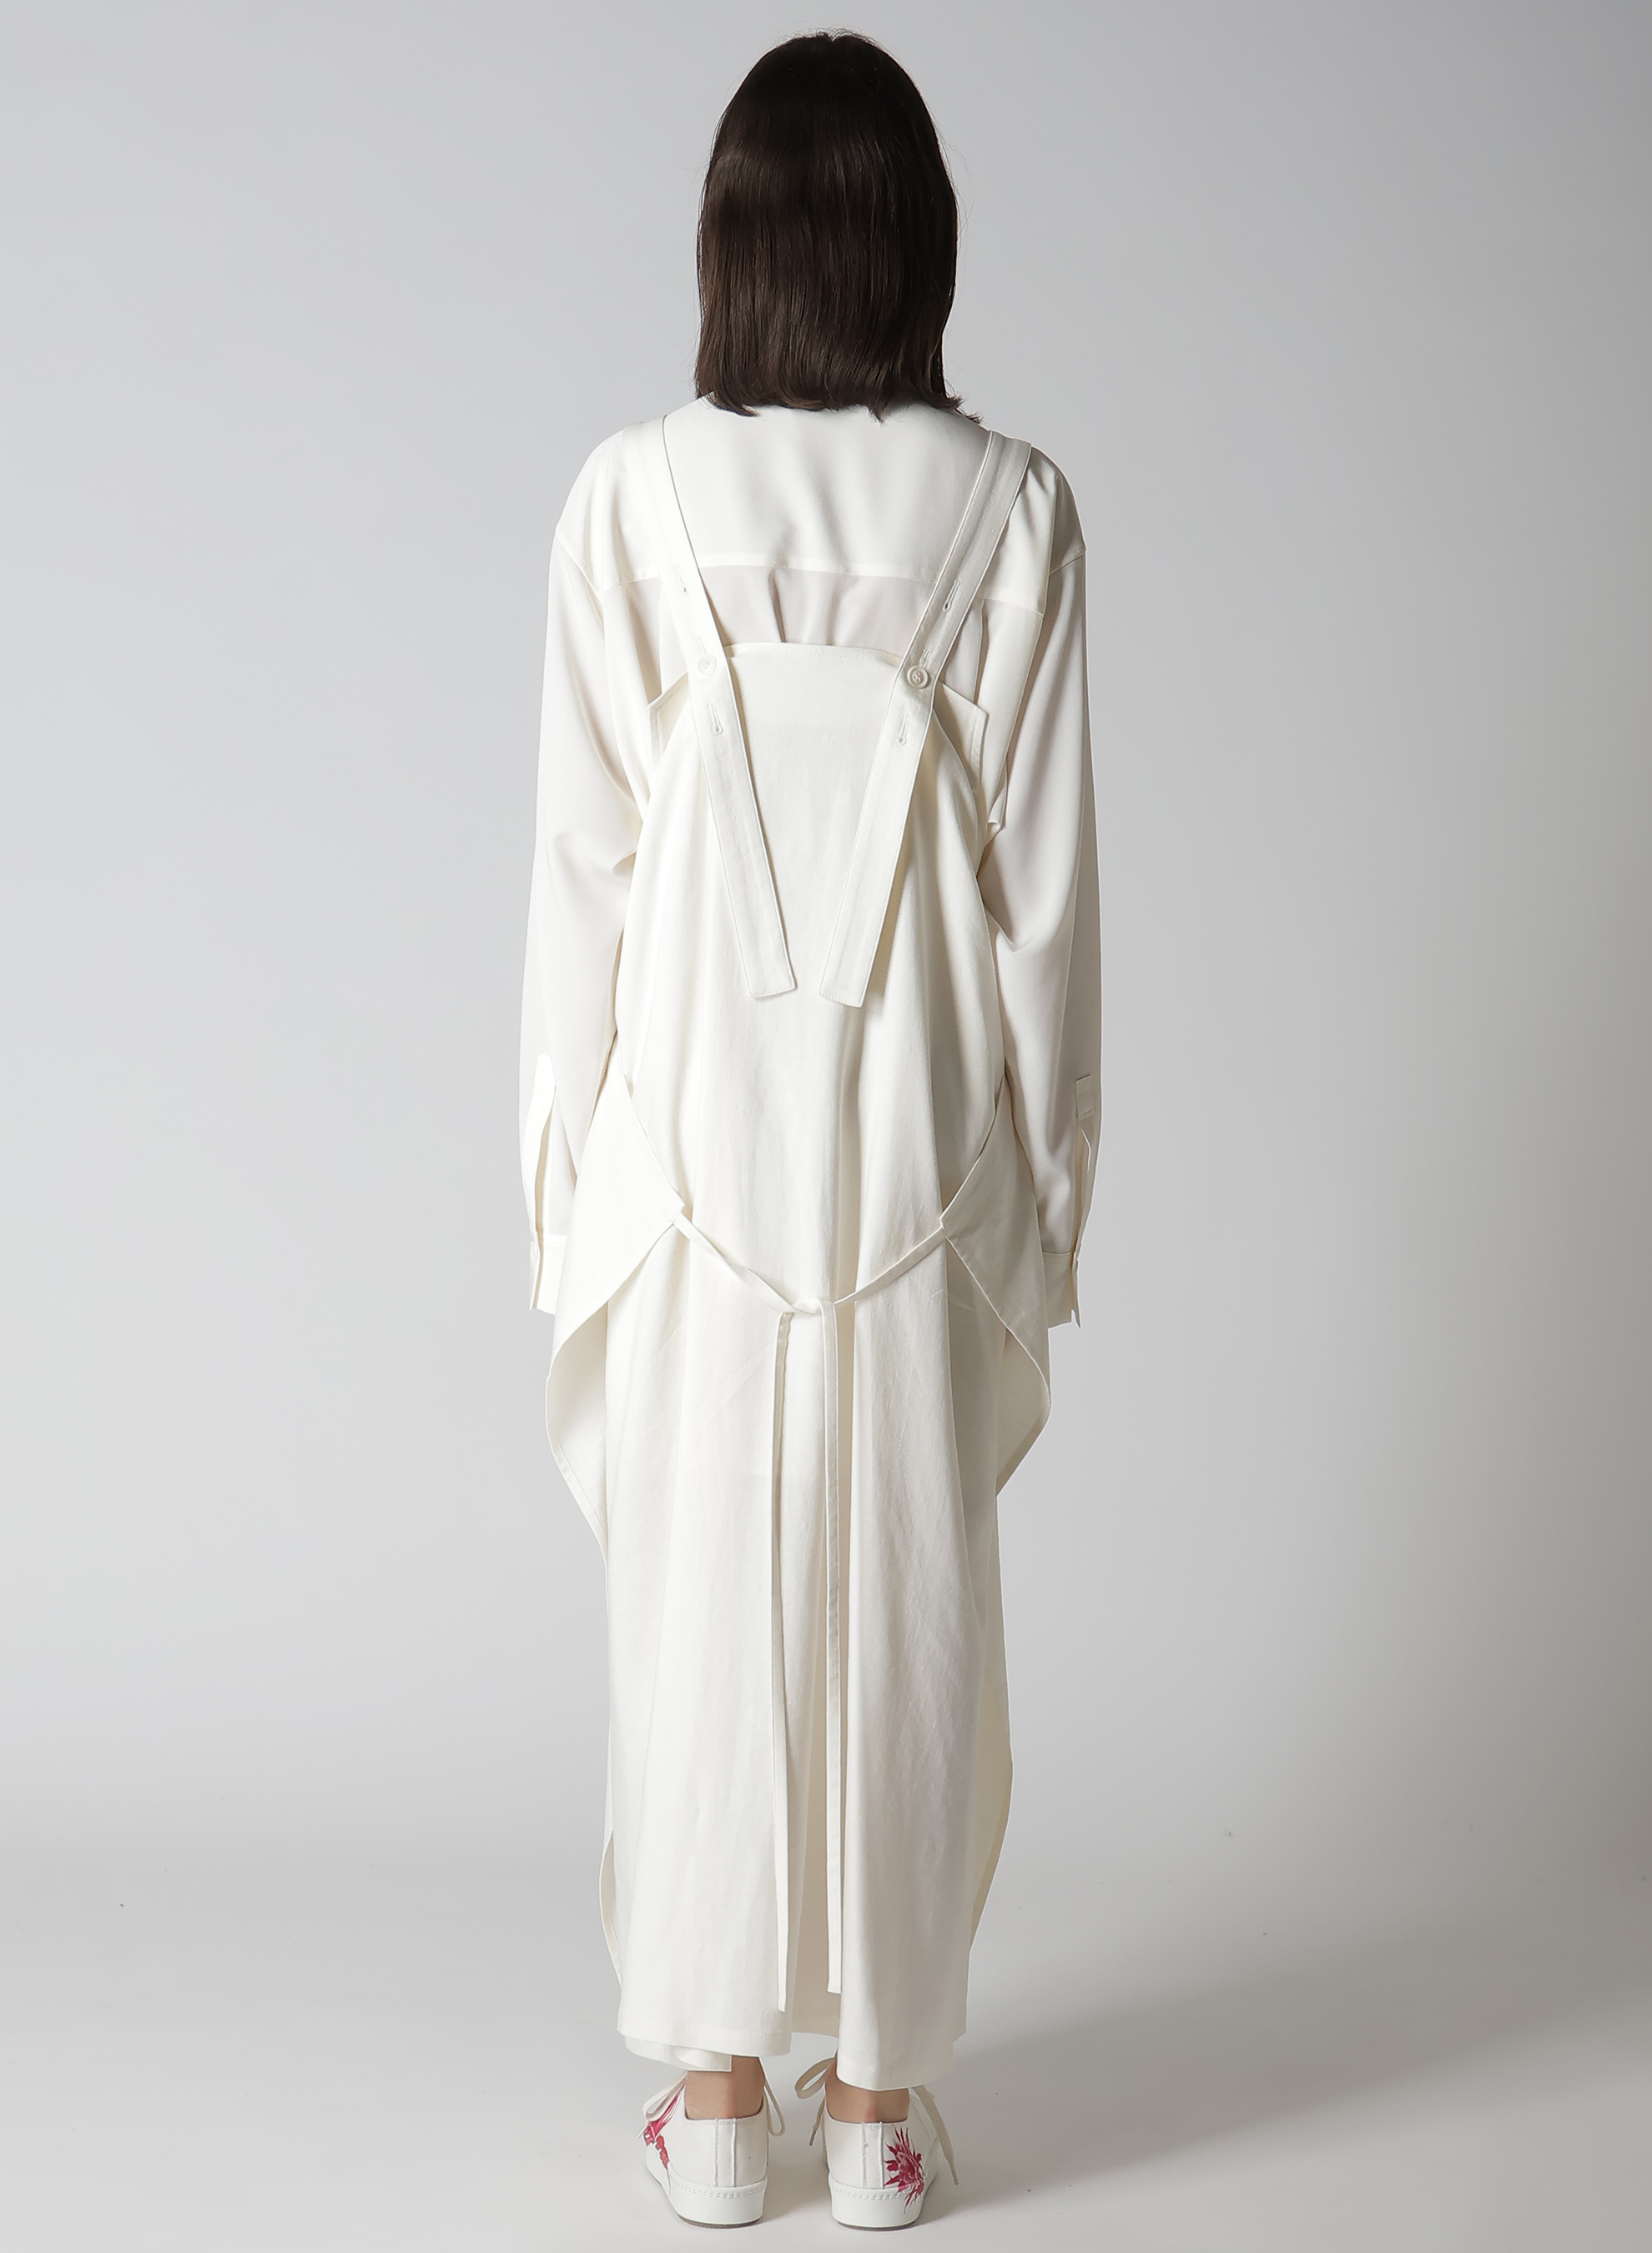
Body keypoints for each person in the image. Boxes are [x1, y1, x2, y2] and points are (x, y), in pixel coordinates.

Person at [519, 30, 1100, 2230]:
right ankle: (877, 2111)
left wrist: (562, 1181)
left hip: (685, 1162)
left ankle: (716, 2099)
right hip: (921, 1159)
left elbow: (578, 879)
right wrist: (1051, 1192)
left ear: (732, 246)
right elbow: (1047, 904)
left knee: (695, 1600)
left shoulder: (627, 499)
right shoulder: (1014, 510)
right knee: (909, 1603)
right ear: (917, 245)